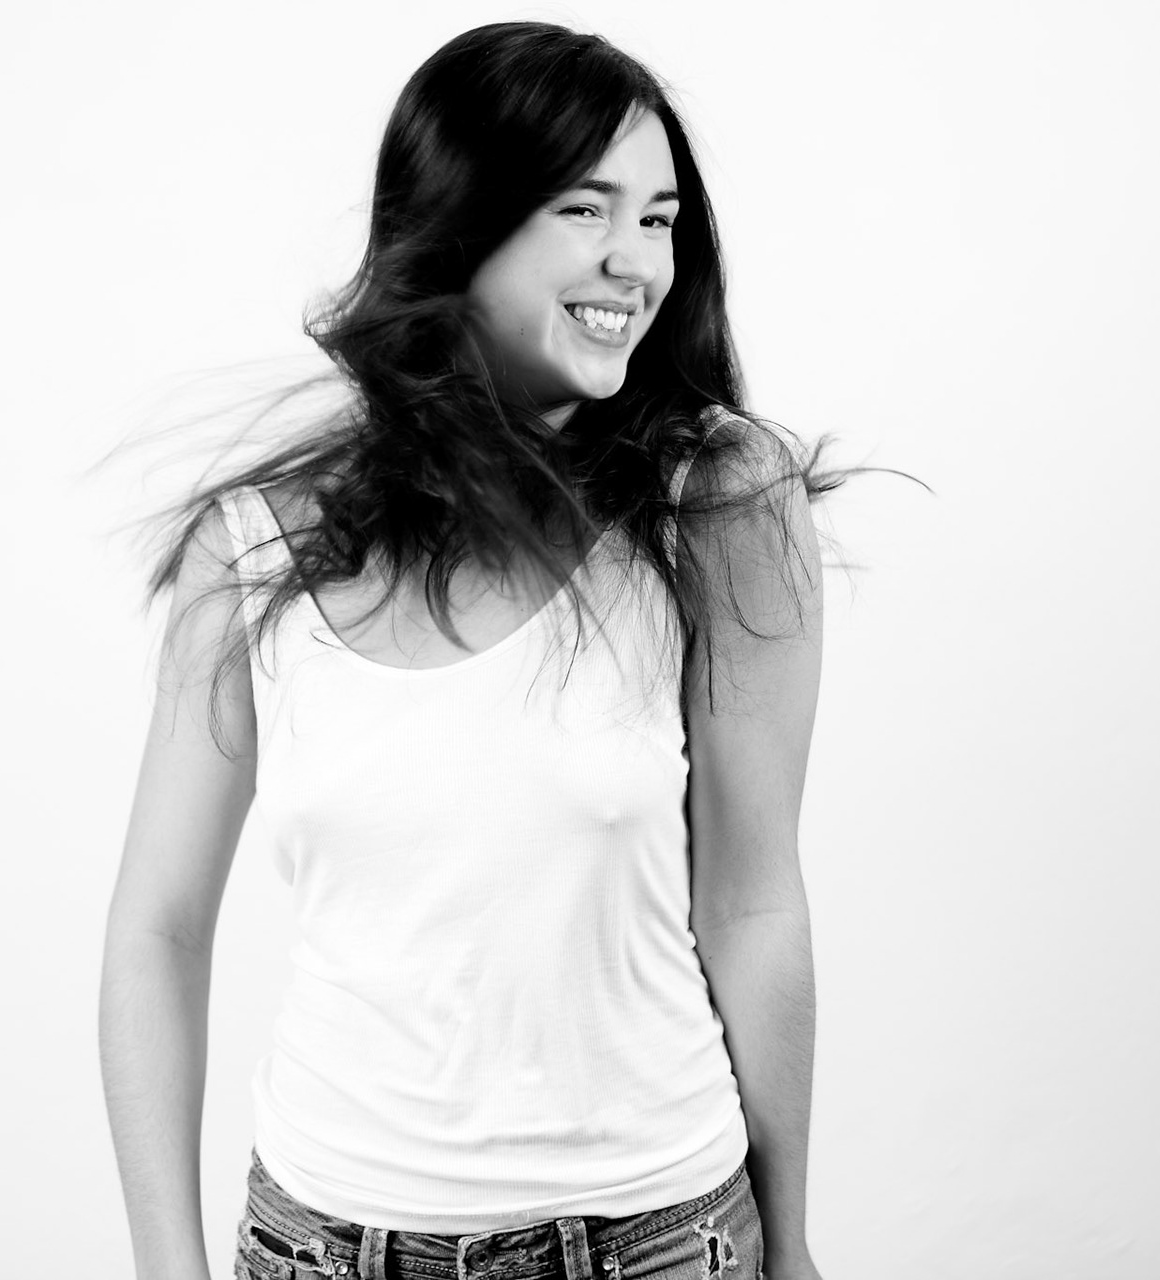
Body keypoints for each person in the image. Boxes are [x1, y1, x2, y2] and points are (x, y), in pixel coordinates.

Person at [100, 21, 864, 1280]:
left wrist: (788, 1246)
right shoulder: (253, 548)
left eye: (660, 218)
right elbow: (158, 929)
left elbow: (754, 899)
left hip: (655, 1241)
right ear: (460, 225)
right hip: (316, 1247)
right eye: (585, 208)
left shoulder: (717, 502)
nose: (636, 260)